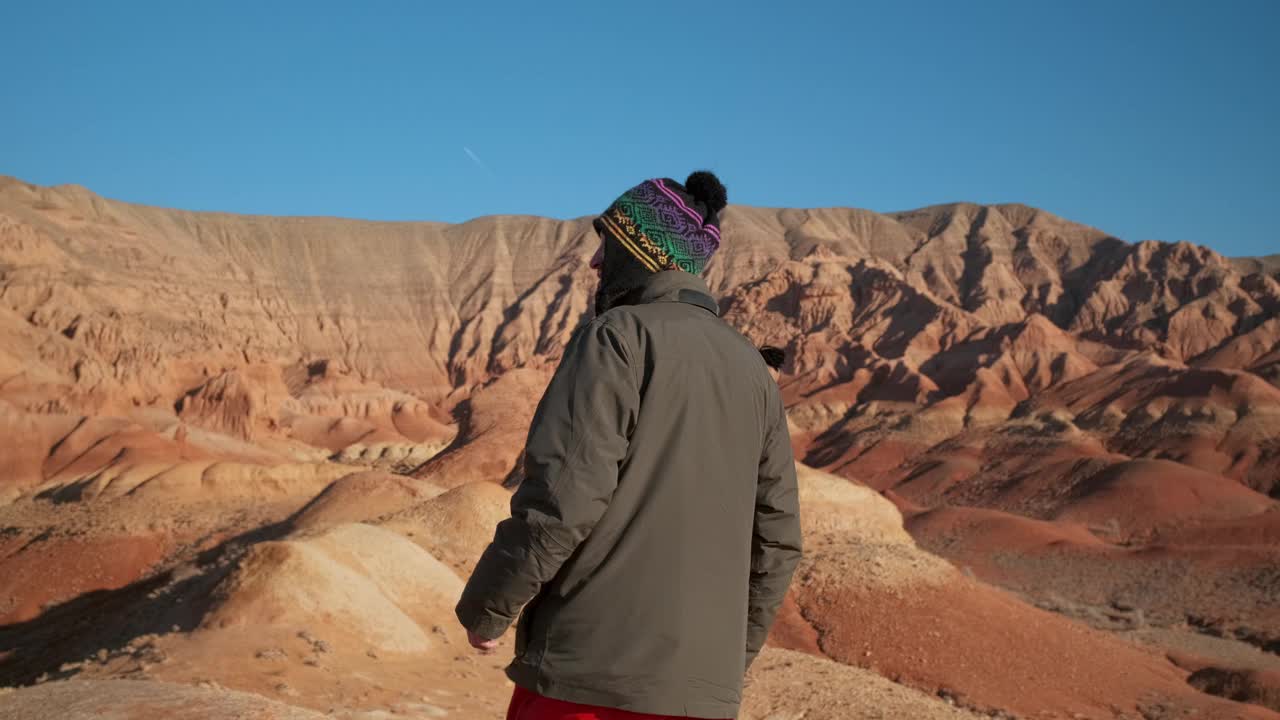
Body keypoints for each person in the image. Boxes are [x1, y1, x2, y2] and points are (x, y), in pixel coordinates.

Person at [455, 171, 802, 720]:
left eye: (608, 245)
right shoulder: (754, 371)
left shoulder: (617, 337)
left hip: (586, 686)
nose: (595, 263)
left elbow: (564, 497)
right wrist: (722, 666)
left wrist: (488, 607)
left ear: (646, 253)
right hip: (700, 698)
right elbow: (778, 541)